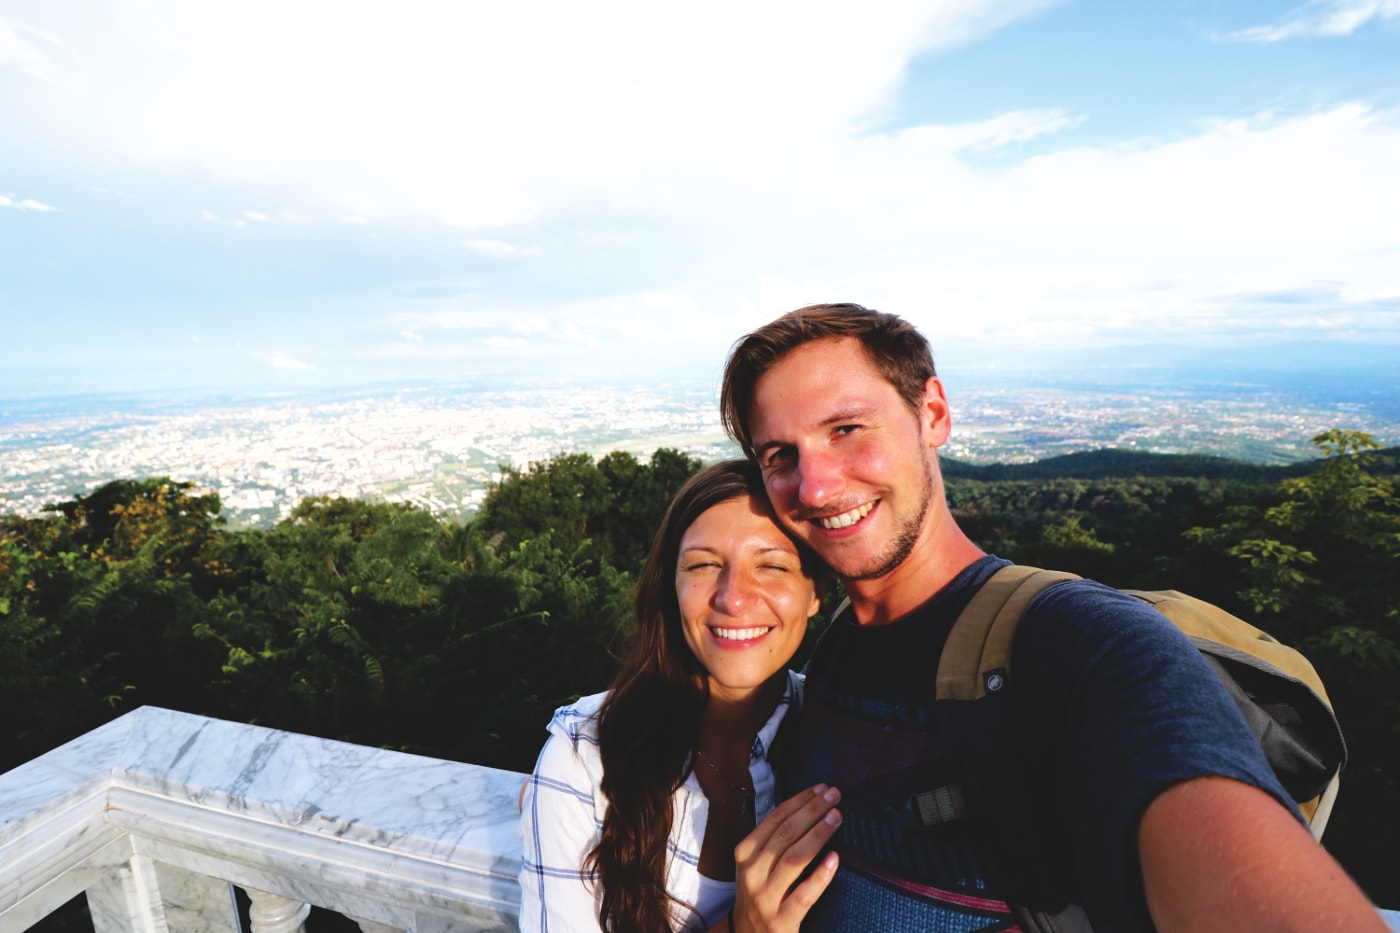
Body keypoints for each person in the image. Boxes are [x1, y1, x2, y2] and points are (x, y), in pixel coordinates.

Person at [717, 303, 1389, 932]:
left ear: (933, 413)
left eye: (846, 429)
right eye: (781, 456)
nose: (815, 486)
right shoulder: (832, 649)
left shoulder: (1083, 642)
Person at [518, 459, 842, 933]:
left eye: (772, 565)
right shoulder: (586, 759)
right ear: (671, 585)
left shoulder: (847, 734)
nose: (733, 598)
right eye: (705, 564)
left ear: (816, 591)